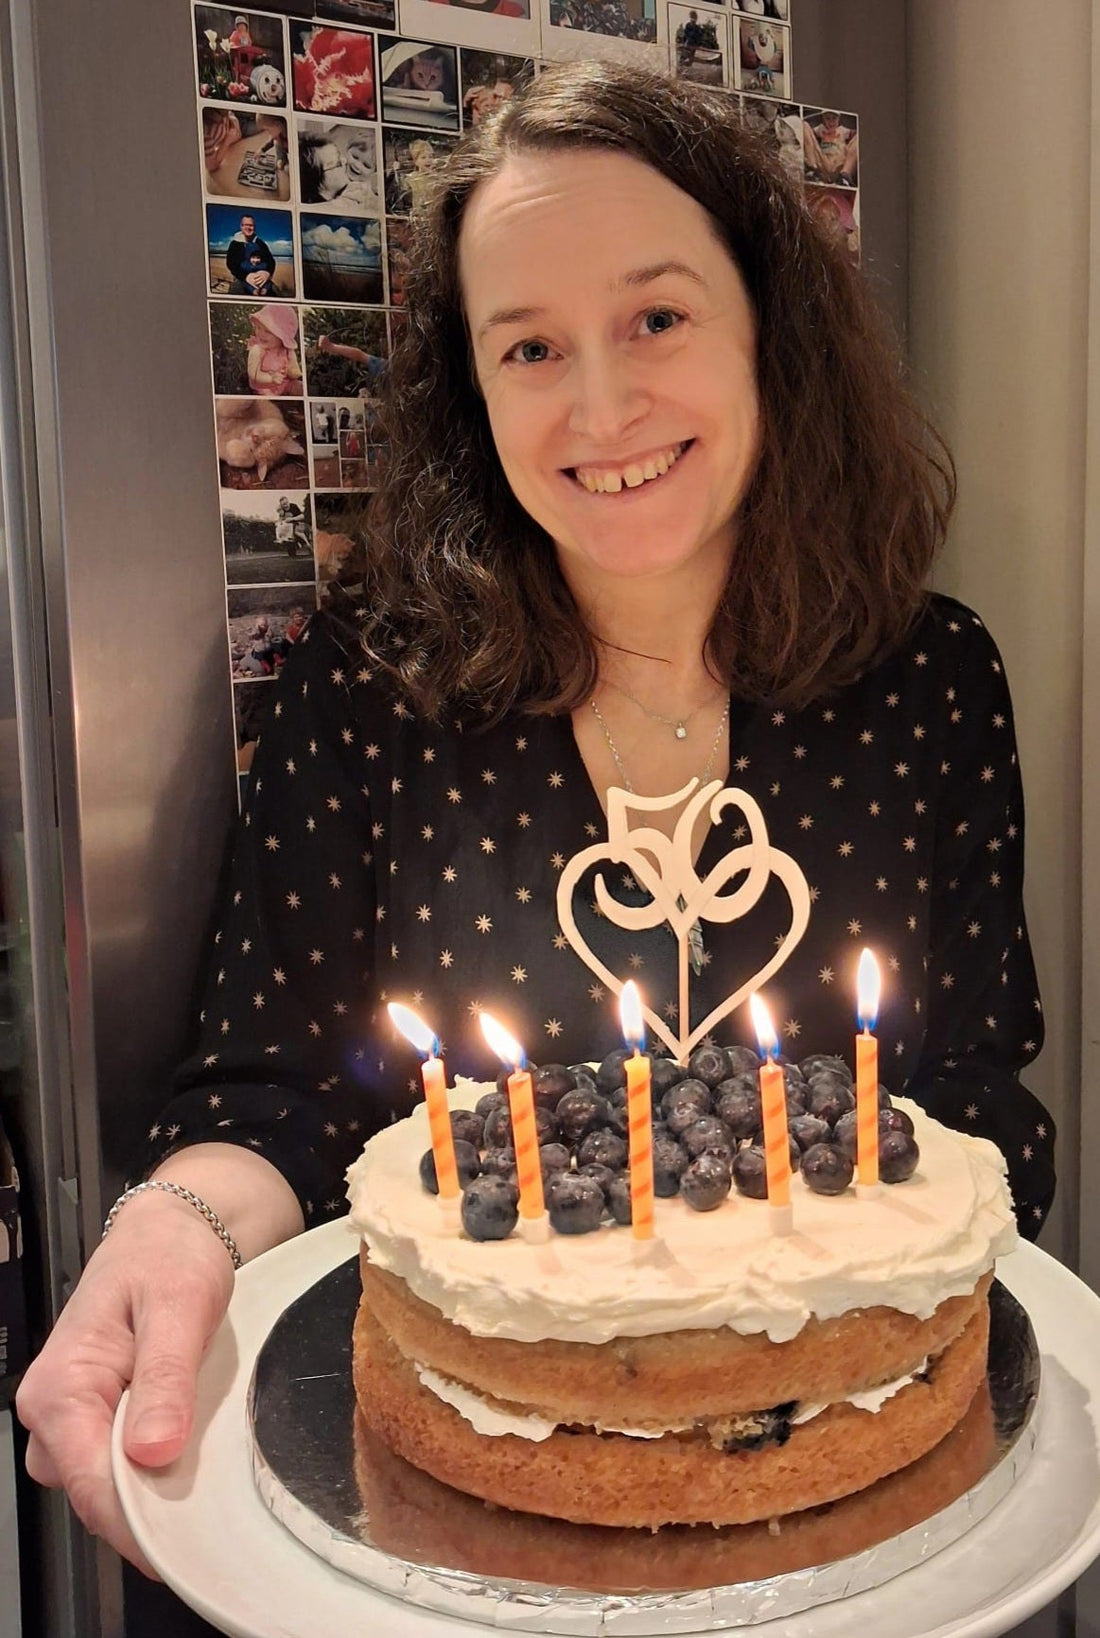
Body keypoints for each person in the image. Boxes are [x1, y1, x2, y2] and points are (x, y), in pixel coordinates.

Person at [17, 61, 1055, 1585]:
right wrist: (168, 1226)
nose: (601, 404)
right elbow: (272, 1099)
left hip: (868, 1553)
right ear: (476, 391)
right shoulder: (371, 683)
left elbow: (972, 1106)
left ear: (773, 332)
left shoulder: (933, 680)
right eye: (529, 346)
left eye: (657, 316)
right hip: (447, 1552)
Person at [246, 304, 301, 397]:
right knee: (267, 400)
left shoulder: (287, 351)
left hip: (285, 384)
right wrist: (270, 378)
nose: (261, 334)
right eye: (258, 328)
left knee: (299, 387)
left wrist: (293, 372)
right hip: (264, 388)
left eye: (268, 331)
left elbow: (294, 370)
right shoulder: (257, 350)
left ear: (282, 337)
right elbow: (253, 375)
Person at [225, 212, 277, 295]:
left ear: (254, 227)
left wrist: (267, 273)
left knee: (275, 292)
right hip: (241, 278)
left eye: (251, 225)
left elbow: (271, 261)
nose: (248, 228)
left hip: (261, 277)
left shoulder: (260, 243)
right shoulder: (235, 243)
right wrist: (246, 276)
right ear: (241, 227)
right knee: (236, 291)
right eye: (245, 225)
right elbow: (230, 264)